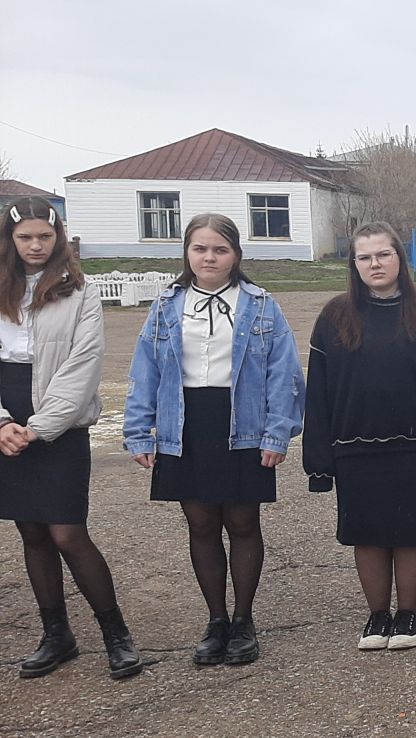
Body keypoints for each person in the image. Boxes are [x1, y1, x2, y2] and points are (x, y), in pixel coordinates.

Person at [124, 213, 305, 666]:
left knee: (242, 523)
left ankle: (243, 621)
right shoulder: (166, 306)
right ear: (187, 252)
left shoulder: (261, 305)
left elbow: (284, 372)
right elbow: (145, 370)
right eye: (200, 248)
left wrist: (278, 432)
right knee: (201, 524)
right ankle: (216, 620)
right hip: (186, 424)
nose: (209, 257)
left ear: (236, 255)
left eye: (220, 249)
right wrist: (139, 431)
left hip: (242, 423)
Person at [304, 221, 416, 651]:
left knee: (411, 534)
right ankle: (377, 615)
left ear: (399, 257)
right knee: (368, 535)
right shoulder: (334, 317)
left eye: (383, 254)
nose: (374, 264)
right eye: (364, 257)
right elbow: (318, 394)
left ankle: (408, 615)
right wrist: (319, 460)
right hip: (354, 451)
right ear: (354, 264)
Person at [0, 197, 142, 680]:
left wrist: (40, 426)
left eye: (45, 236)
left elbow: (83, 365)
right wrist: (3, 423)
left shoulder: (80, 291)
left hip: (58, 421)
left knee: (67, 533)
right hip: (6, 423)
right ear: (10, 240)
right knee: (32, 532)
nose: (35, 246)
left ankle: (115, 634)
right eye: (25, 237)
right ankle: (56, 635)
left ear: (58, 237)